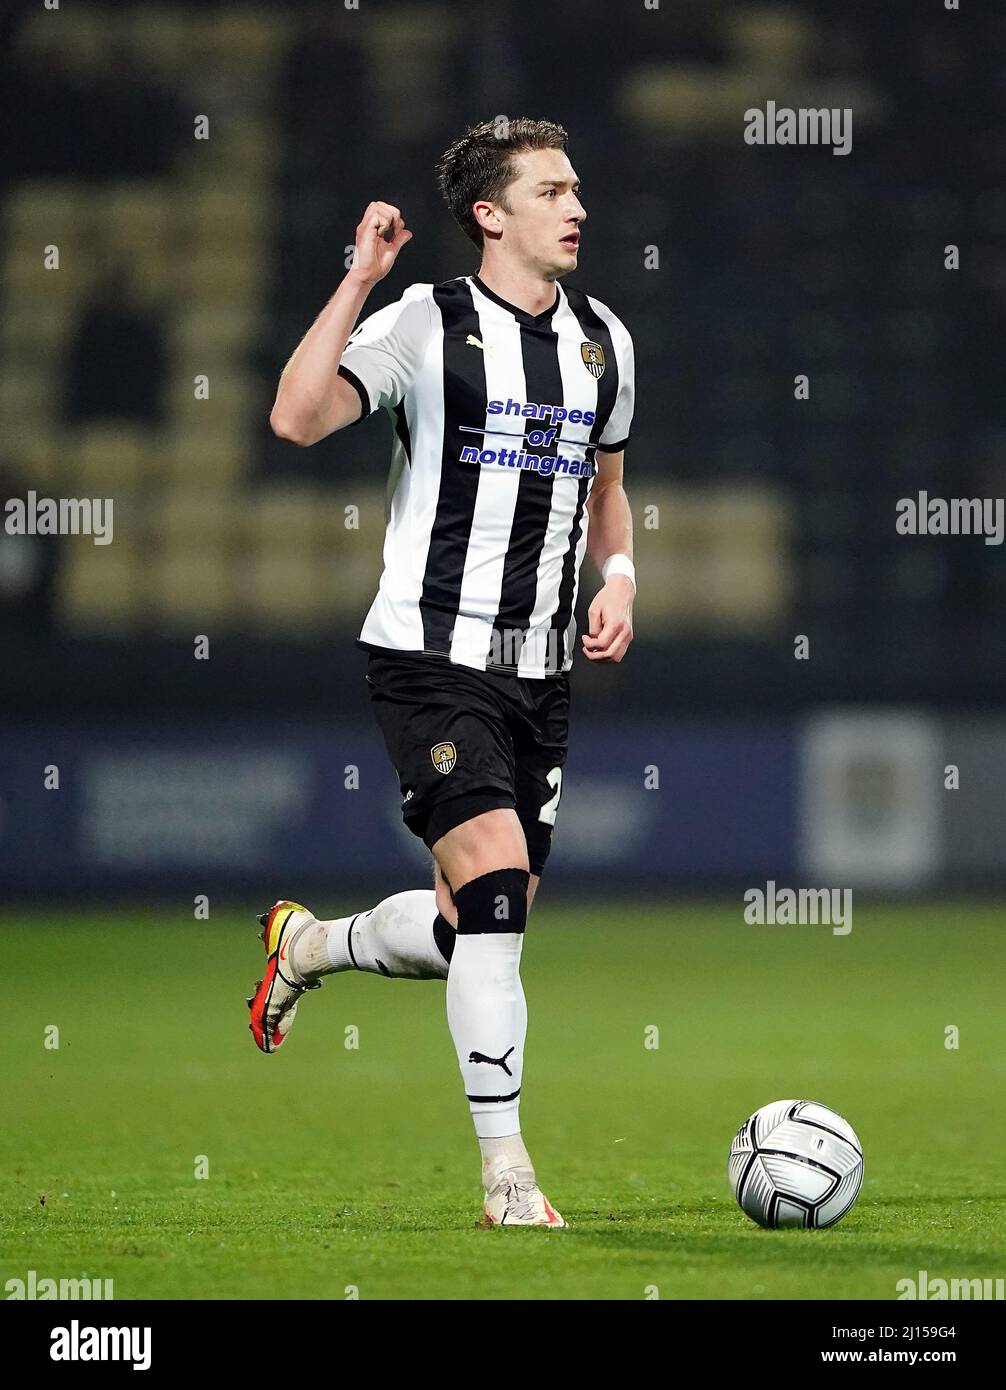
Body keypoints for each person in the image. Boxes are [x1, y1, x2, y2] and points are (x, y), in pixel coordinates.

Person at [249, 117, 636, 1227]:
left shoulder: (603, 339)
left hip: (541, 674)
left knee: (479, 928)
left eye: (577, 187)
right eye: (553, 189)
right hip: (428, 656)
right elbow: (295, 415)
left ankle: (310, 945)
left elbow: (609, 490)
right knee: (502, 899)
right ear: (490, 214)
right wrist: (357, 278)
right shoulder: (426, 321)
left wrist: (621, 579)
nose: (577, 207)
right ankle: (507, 1178)